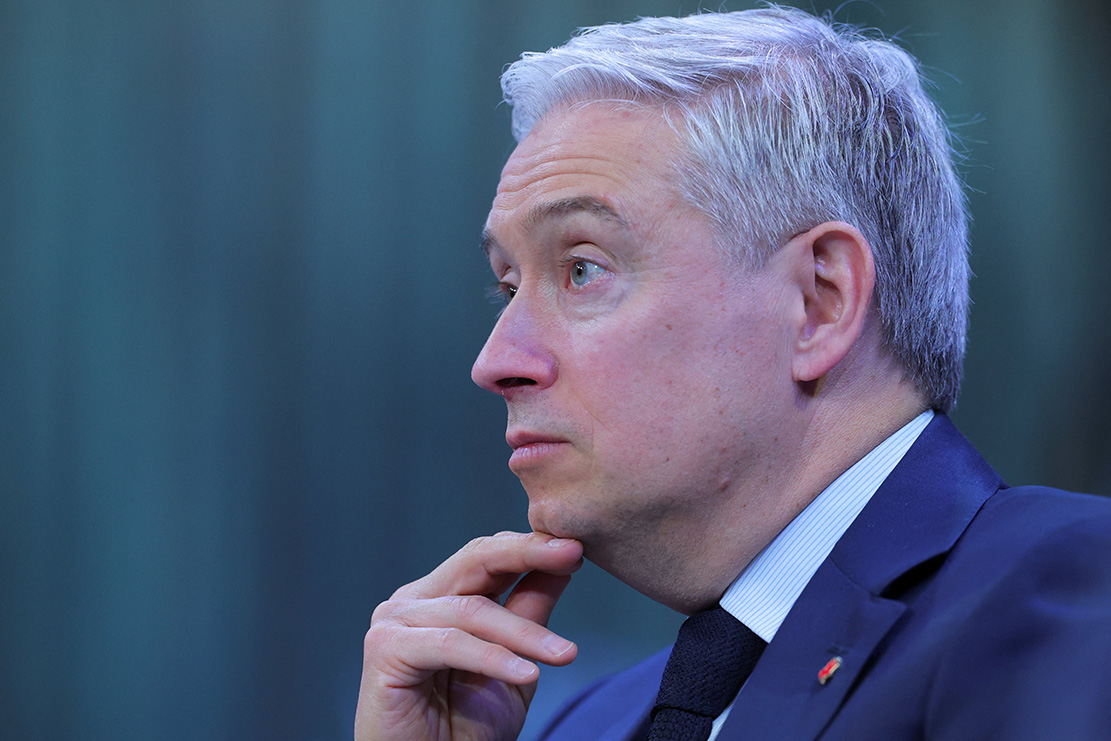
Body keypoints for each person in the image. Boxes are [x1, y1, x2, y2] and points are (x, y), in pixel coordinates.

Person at [355, 6, 1111, 740]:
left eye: (582, 269)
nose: (495, 363)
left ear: (818, 302)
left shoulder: (1069, 591)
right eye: (508, 286)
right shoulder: (589, 723)